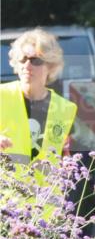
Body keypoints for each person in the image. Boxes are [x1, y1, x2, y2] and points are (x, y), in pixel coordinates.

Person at [0, 28, 78, 173]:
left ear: (51, 66)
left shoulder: (66, 108)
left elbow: (66, 157)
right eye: (22, 59)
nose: (27, 66)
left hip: (47, 187)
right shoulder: (2, 95)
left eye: (35, 60)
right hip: (6, 186)